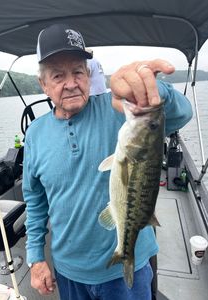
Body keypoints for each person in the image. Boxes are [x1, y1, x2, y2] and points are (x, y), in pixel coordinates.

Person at [23, 23, 192, 300]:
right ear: (43, 84)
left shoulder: (118, 109)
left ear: (89, 75)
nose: (70, 83)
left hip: (129, 268)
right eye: (57, 75)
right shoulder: (35, 134)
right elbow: (35, 199)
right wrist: (35, 258)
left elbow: (181, 115)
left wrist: (153, 91)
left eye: (78, 72)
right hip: (69, 270)